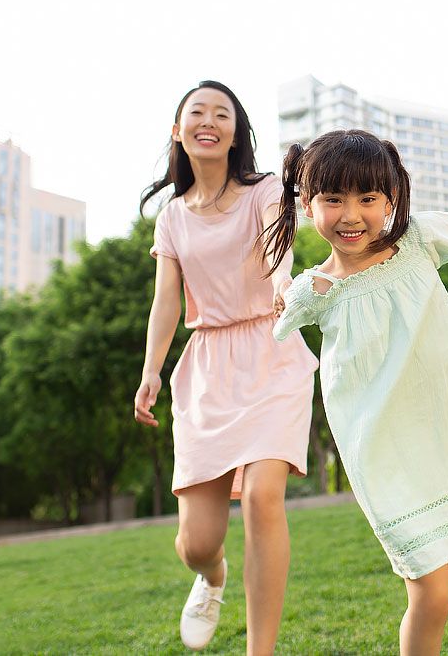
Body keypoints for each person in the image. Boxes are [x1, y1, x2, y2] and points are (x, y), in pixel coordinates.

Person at [267, 129, 448, 656]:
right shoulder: (314, 292)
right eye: (334, 199)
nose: (351, 214)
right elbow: (273, 315)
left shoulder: (415, 244)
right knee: (432, 597)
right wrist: (282, 296)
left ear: (391, 199)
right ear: (308, 204)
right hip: (389, 457)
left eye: (368, 198)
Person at [133, 80, 318, 654]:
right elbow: (167, 300)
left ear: (236, 131)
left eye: (223, 113)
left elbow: (276, 247)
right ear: (178, 130)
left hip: (271, 348)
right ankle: (211, 576)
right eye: (197, 113)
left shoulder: (264, 190)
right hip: (207, 369)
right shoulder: (171, 218)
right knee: (196, 542)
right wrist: (150, 372)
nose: (210, 121)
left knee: (264, 495)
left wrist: (287, 286)